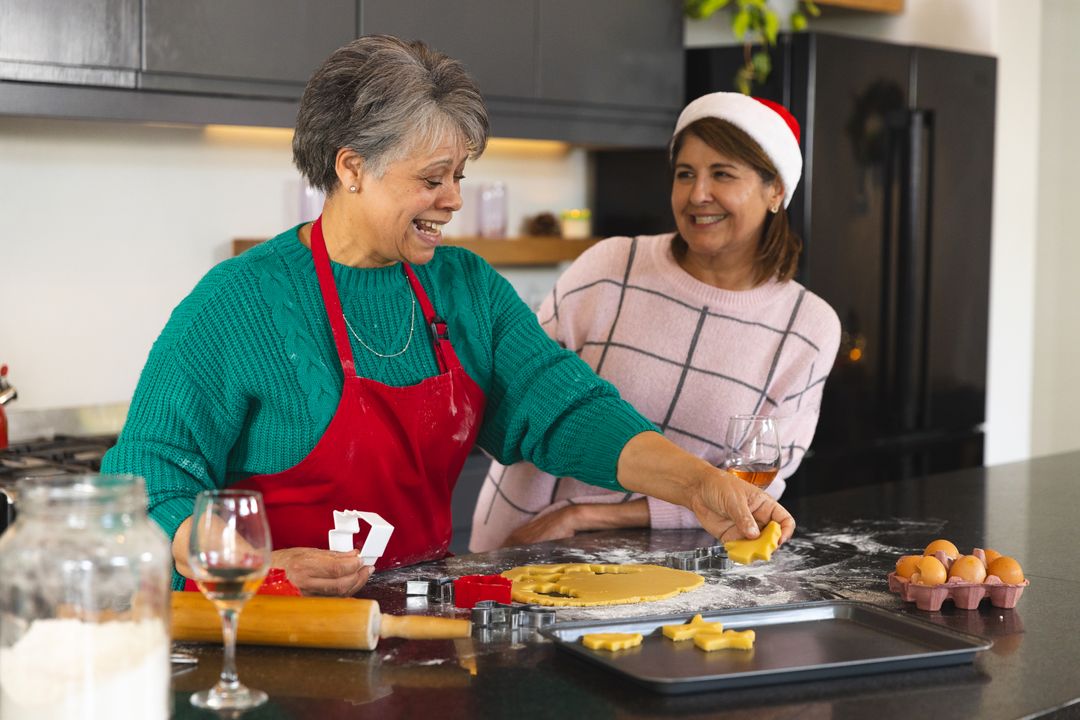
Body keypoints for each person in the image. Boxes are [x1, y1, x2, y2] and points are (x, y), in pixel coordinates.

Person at [102, 38, 795, 597]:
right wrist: (258, 566)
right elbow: (146, 483)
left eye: (460, 176)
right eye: (432, 179)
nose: (453, 200)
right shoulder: (239, 303)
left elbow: (567, 408)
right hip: (270, 635)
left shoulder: (466, 289)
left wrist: (701, 483)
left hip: (425, 628)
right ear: (351, 168)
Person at [471, 92, 840, 551]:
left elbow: (756, 487)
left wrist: (584, 516)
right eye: (685, 174)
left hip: (661, 567)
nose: (697, 194)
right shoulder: (609, 267)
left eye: (722, 174)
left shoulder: (807, 328)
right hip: (522, 542)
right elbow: (519, 401)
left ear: (775, 191)